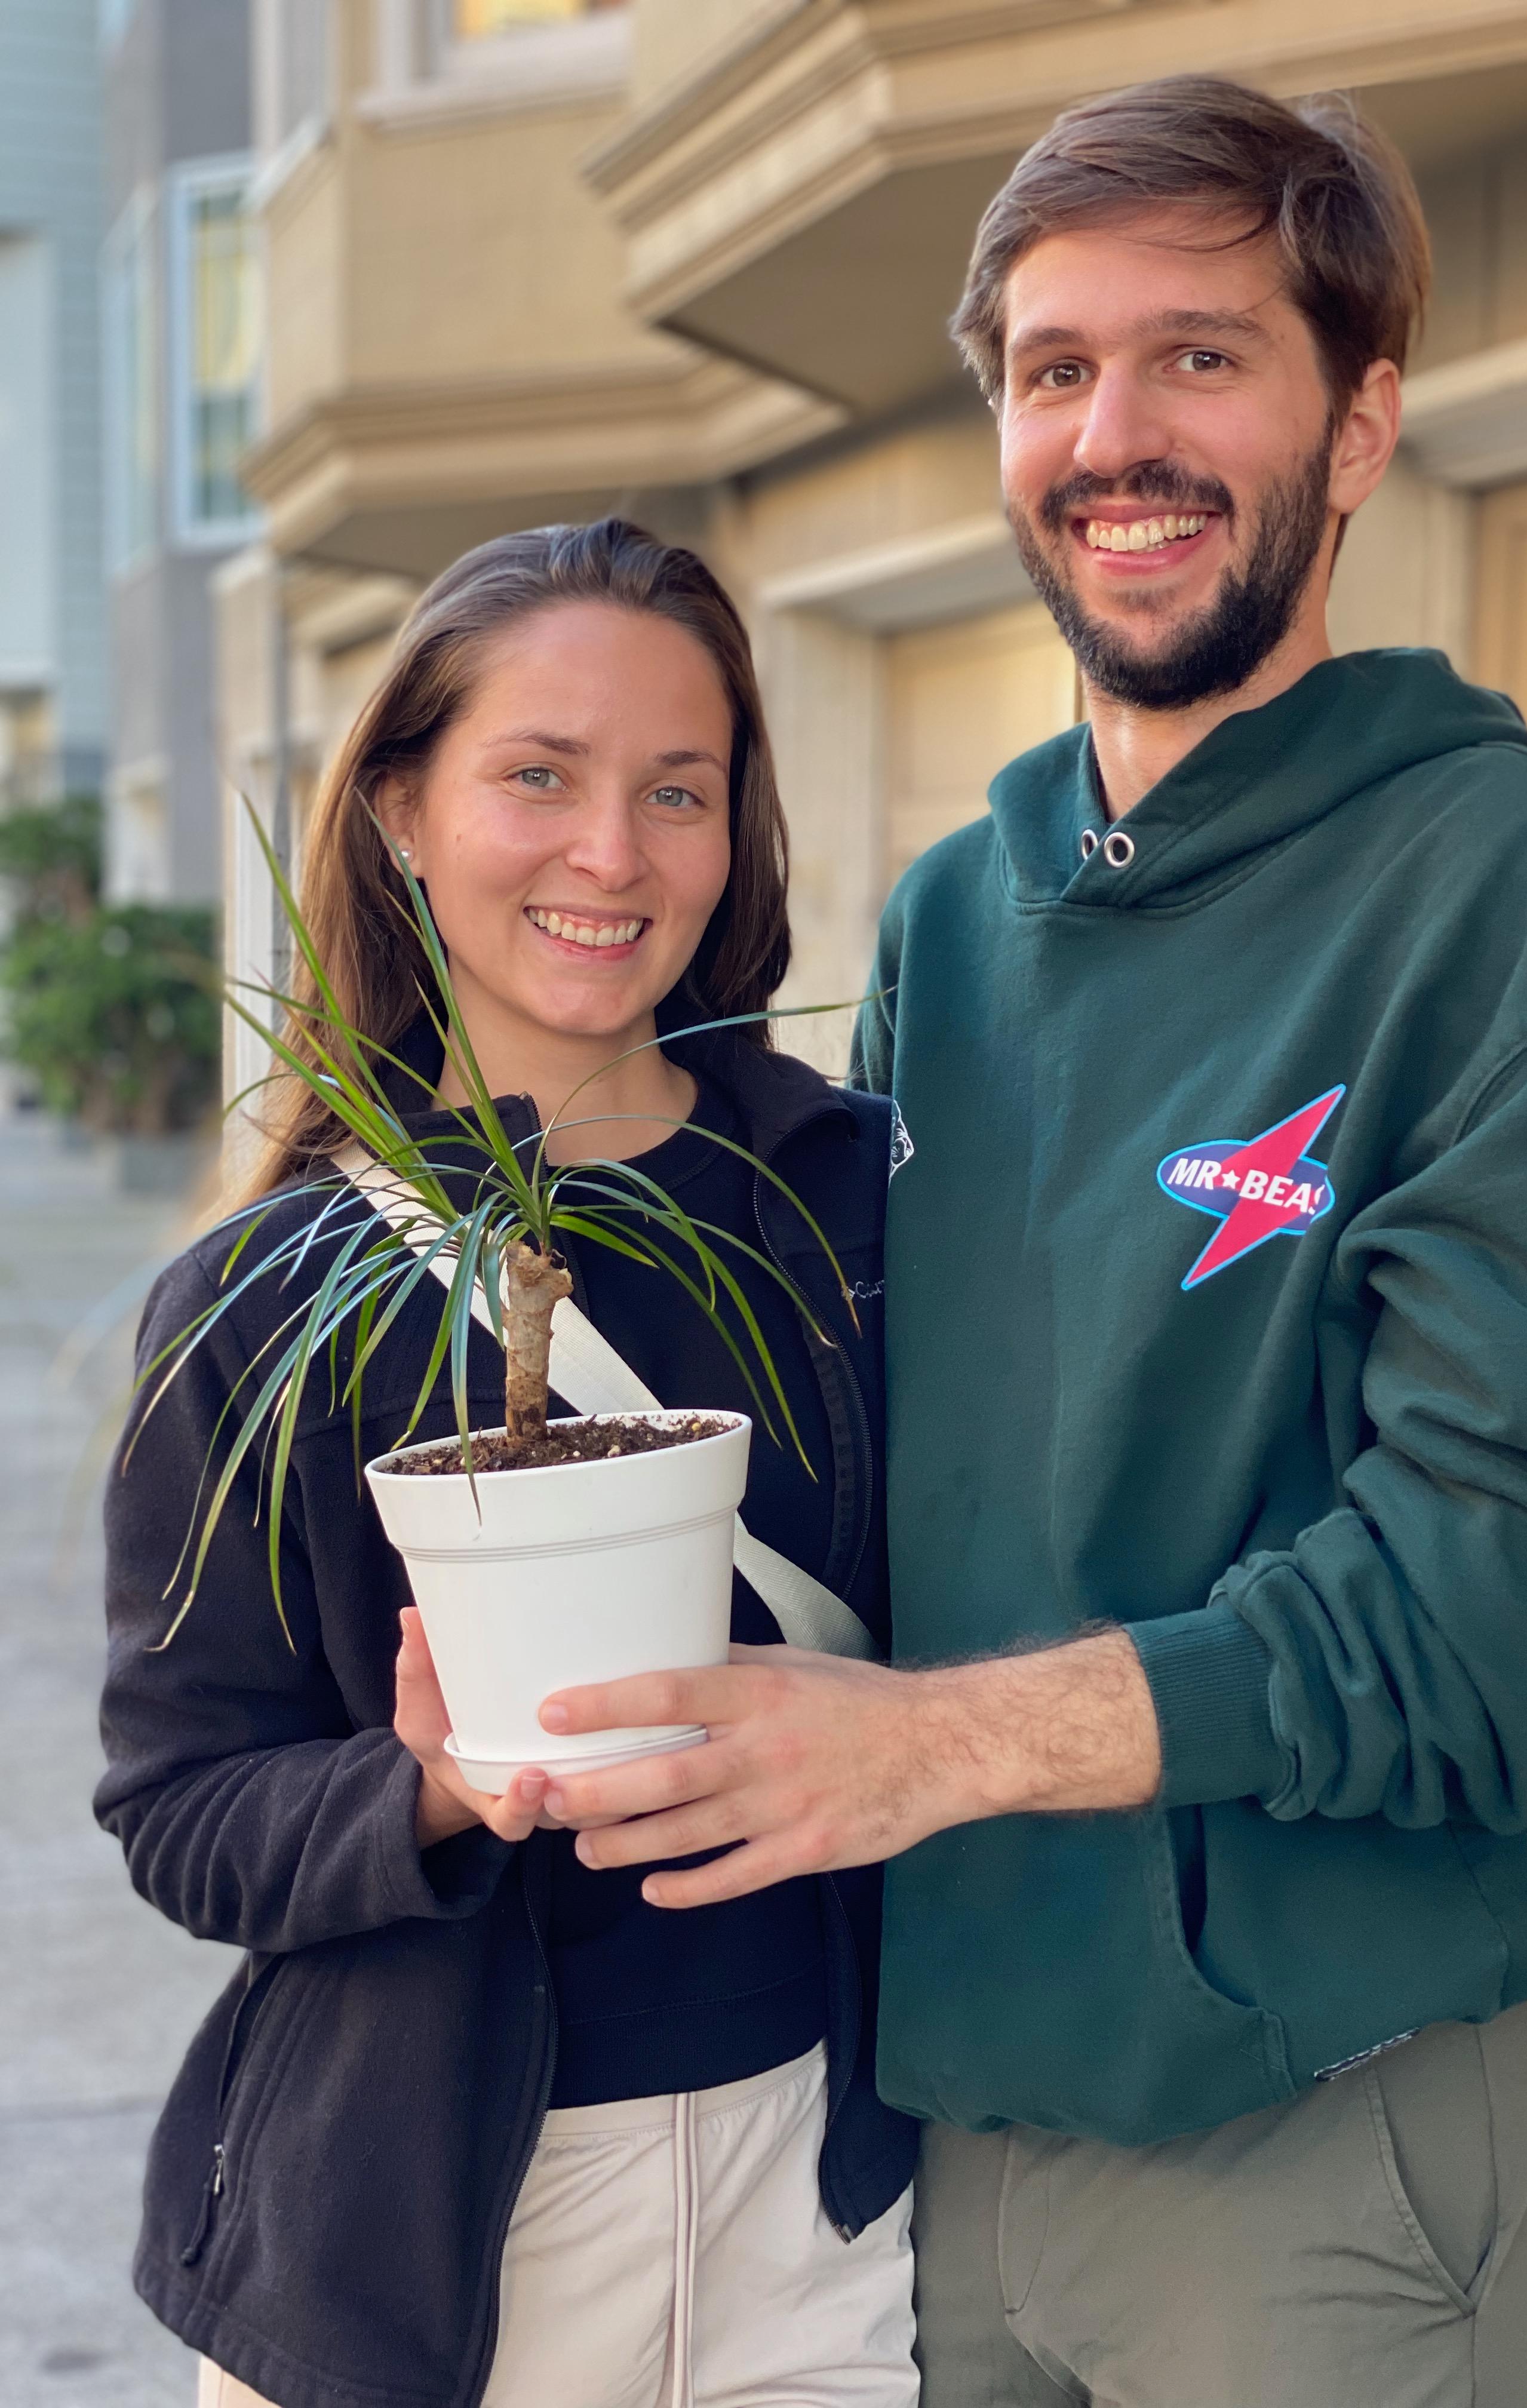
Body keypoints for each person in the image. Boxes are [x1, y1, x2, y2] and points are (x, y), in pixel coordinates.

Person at [518, 78, 1527, 2408]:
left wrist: (936, 1754)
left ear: (1361, 420)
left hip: (1342, 2100)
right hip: (965, 2107)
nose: (1119, 433)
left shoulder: (1512, 894)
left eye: (1203, 357)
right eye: (1057, 368)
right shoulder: (949, 925)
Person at [96, 520, 918, 2408]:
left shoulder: (861, 1202)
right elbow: (180, 1807)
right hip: (428, 2248)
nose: (612, 855)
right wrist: (436, 1792)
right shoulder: (262, 1295)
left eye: (677, 791)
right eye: (536, 776)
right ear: (398, 804)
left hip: (831, 2202)